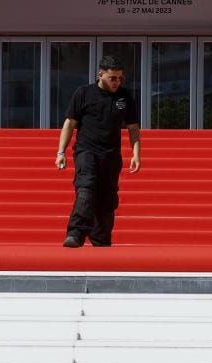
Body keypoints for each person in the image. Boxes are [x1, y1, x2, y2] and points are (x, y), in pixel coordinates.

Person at [56, 55, 141, 248]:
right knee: (86, 188)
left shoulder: (124, 97)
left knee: (108, 197)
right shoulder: (84, 93)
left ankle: (101, 238)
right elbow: (70, 123)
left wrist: (136, 153)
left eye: (120, 78)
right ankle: (75, 233)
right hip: (86, 150)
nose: (117, 82)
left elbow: (133, 127)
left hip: (111, 154)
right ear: (100, 75)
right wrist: (61, 152)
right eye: (113, 78)